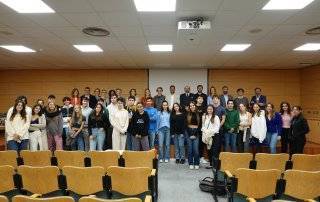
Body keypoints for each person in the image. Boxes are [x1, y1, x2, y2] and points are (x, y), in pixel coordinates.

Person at [209, 96, 226, 168]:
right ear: (212, 100)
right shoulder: (210, 108)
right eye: (213, 99)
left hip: (219, 131)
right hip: (210, 131)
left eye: (216, 99)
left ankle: (216, 164)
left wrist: (217, 127)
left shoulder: (222, 108)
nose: (215, 100)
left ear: (219, 100)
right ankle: (211, 164)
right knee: (210, 147)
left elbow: (223, 119)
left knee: (217, 147)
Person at [186, 102, 201, 170]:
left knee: (195, 149)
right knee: (190, 149)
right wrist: (190, 134)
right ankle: (191, 163)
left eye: (193, 105)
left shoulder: (199, 114)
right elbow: (185, 125)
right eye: (190, 106)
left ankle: (197, 163)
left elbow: (200, 125)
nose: (192, 107)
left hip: (196, 132)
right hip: (188, 132)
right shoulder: (187, 114)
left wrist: (194, 134)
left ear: (195, 106)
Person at [195, 96, 207, 164]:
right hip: (194, 128)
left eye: (201, 99)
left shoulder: (204, 107)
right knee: (196, 143)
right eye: (199, 98)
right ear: (197, 99)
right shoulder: (194, 106)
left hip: (202, 128)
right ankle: (196, 157)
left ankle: (201, 158)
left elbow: (205, 117)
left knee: (202, 143)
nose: (200, 100)